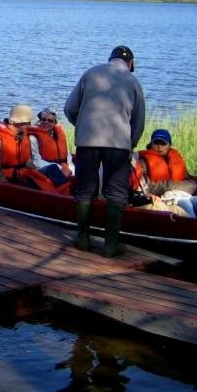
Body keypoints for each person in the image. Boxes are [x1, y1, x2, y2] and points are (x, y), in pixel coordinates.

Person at [64, 45, 146, 256]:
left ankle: (83, 238)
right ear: (130, 64)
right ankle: (110, 245)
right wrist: (132, 143)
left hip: (87, 141)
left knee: (85, 190)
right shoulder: (133, 81)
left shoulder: (90, 73)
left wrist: (82, 126)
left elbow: (69, 108)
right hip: (118, 144)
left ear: (110, 58)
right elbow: (139, 121)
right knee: (116, 194)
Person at [137, 129, 197, 220]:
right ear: (151, 145)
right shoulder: (143, 162)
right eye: (156, 143)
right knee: (185, 204)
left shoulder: (175, 160)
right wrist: (172, 186)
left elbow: (190, 183)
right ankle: (194, 230)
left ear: (169, 146)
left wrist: (179, 187)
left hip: (180, 194)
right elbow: (146, 187)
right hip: (162, 197)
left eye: (163, 144)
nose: (159, 147)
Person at [0, 104, 64, 190]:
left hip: (21, 175)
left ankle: (64, 193)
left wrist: (38, 176)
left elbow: (29, 164)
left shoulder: (23, 136)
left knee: (52, 170)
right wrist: (9, 189)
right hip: (5, 180)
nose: (30, 124)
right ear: (19, 122)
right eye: (28, 122)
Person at [28, 108, 74, 181]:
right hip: (45, 169)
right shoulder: (33, 138)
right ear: (39, 120)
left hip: (62, 167)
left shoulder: (59, 136)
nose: (46, 122)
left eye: (50, 121)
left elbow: (67, 157)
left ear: (55, 123)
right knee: (54, 170)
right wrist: (60, 168)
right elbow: (36, 161)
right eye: (43, 119)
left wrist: (69, 168)